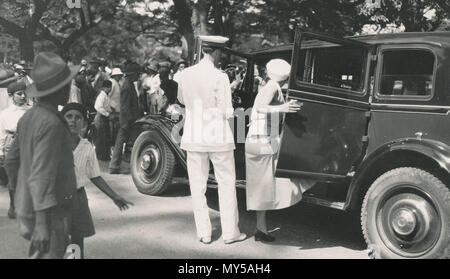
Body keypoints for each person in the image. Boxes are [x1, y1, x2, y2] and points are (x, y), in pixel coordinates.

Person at [5, 52, 78, 259]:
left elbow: (11, 161)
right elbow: (41, 175)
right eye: (66, 84)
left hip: (28, 207)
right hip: (48, 214)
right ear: (60, 89)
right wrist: (42, 224)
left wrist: (14, 198)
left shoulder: (29, 117)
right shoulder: (52, 123)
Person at [177, 35, 246, 244]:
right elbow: (227, 110)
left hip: (194, 135)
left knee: (197, 187)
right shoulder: (221, 76)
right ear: (216, 52)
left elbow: (181, 100)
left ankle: (204, 233)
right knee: (226, 184)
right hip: (217, 136)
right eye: (221, 52)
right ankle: (230, 233)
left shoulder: (185, 74)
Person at [245, 59, 310, 242]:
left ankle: (261, 228)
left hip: (259, 141)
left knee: (264, 186)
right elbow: (260, 108)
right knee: (268, 185)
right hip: (263, 142)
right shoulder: (273, 87)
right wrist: (284, 108)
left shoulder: (269, 85)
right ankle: (261, 229)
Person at [61, 102, 133, 259]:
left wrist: (115, 196)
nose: (73, 120)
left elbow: (95, 176)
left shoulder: (86, 147)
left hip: (78, 198)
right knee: (60, 240)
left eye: (78, 117)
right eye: (69, 116)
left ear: (84, 124)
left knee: (77, 239)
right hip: (58, 198)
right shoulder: (54, 143)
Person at [0, 81, 30, 219]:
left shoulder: (31, 111)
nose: (23, 96)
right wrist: (1, 151)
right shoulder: (5, 114)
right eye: (19, 94)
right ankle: (13, 205)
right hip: (11, 143)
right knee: (13, 176)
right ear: (11, 96)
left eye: (25, 93)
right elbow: (1, 134)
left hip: (28, 143)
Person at [109, 62, 142, 174]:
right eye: (137, 74)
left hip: (128, 119)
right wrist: (128, 122)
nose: (139, 76)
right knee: (122, 142)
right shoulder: (128, 86)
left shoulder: (129, 84)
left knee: (121, 142)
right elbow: (125, 106)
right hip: (128, 119)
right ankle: (114, 166)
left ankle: (114, 166)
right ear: (132, 74)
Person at [94, 80, 113, 161]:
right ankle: (100, 156)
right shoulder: (102, 96)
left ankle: (105, 156)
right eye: (108, 87)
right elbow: (98, 106)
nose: (110, 89)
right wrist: (107, 114)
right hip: (101, 117)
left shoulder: (106, 96)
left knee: (105, 137)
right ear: (104, 87)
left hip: (104, 118)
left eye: (110, 87)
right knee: (100, 137)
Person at [109, 68, 123, 144]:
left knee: (116, 130)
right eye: (118, 76)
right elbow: (108, 96)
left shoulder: (117, 84)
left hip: (117, 110)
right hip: (112, 110)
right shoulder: (112, 83)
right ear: (115, 76)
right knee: (112, 130)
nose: (120, 77)